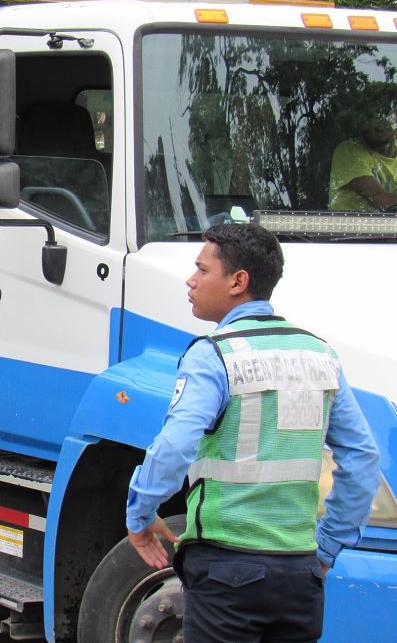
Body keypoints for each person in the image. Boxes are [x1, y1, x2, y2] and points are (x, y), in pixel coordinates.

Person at [125, 223, 380, 642]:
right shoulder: (319, 355)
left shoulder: (215, 355)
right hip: (299, 573)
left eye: (202, 270)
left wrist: (139, 514)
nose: (190, 280)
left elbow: (174, 445)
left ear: (237, 282)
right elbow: (363, 459)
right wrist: (327, 548)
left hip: (228, 571)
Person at [329, 112, 397, 211]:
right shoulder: (349, 151)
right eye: (369, 116)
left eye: (383, 115)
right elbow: (380, 199)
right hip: (350, 225)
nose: (375, 123)